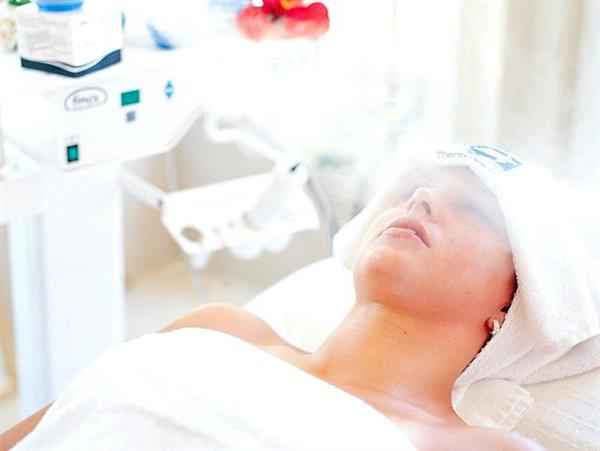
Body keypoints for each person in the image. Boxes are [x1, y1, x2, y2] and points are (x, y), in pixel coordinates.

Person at [0, 165, 545, 451]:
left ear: (515, 298)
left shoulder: (482, 449)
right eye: (416, 191)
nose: (421, 200)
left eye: (473, 209)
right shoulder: (218, 329)